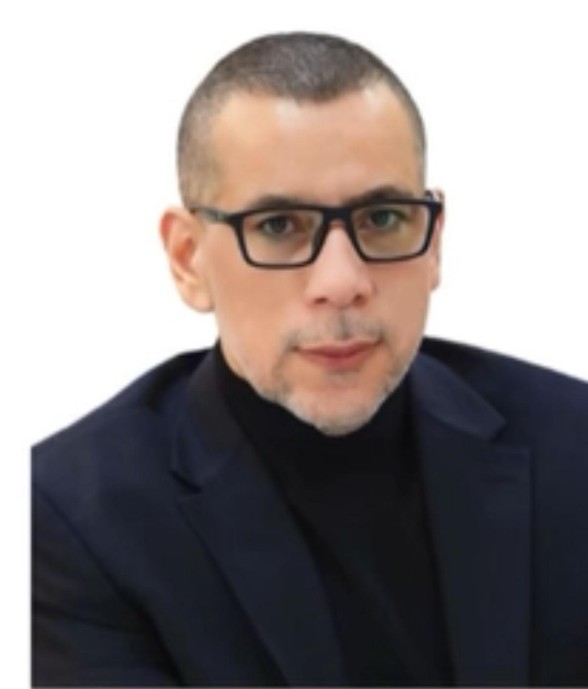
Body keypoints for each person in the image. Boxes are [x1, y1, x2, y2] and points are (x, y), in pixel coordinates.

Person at [32, 31, 588, 687]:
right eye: (278, 226)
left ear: (434, 241)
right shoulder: (68, 517)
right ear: (188, 259)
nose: (342, 280)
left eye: (382, 218)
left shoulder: (573, 445)